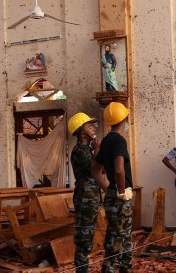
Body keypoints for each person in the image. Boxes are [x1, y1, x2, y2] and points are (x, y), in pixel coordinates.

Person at [92, 102, 134, 272]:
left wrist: (107, 188)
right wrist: (121, 192)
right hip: (119, 196)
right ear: (124, 118)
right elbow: (119, 170)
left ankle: (115, 267)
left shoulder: (106, 141)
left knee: (115, 233)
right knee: (122, 235)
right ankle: (117, 268)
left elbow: (95, 169)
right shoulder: (118, 141)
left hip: (111, 194)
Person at [68, 112, 107, 273]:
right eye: (89, 125)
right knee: (84, 238)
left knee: (88, 236)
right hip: (85, 199)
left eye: (93, 125)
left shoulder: (88, 149)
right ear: (81, 131)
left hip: (91, 199)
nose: (93, 128)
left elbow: (102, 169)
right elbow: (96, 168)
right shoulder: (79, 151)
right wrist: (98, 150)